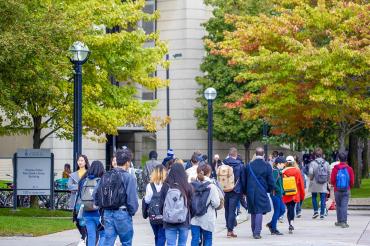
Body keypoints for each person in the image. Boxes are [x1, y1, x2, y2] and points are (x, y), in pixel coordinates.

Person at [96, 148, 139, 246]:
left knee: (108, 242)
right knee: (126, 242)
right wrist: (131, 211)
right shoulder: (129, 177)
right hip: (122, 213)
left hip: (107, 213)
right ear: (128, 162)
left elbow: (96, 194)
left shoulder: (106, 175)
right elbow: (132, 200)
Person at [244, 147, 275, 239]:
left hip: (250, 190)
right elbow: (271, 180)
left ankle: (254, 230)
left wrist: (244, 191)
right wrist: (271, 189)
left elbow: (245, 179)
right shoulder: (267, 165)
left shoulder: (249, 165)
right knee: (259, 211)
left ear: (255, 154)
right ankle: (257, 232)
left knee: (253, 210)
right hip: (261, 190)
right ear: (263, 155)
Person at [160, 163, 193, 246]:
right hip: (184, 220)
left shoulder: (165, 186)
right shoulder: (187, 186)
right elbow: (192, 205)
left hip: (169, 221)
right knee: (182, 244)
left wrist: (165, 214)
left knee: (170, 244)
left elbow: (161, 204)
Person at [190, 164, 221, 246]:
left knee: (195, 238)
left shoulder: (191, 185)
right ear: (209, 173)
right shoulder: (211, 186)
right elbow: (216, 203)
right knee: (207, 238)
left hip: (194, 217)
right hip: (207, 217)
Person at [80, 160, 105, 246]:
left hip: (86, 212)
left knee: (91, 236)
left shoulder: (84, 181)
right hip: (99, 213)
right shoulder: (101, 181)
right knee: (103, 234)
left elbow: (81, 195)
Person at [223, 147, 245, 238]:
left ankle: (228, 227)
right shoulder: (239, 165)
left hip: (225, 189)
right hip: (235, 190)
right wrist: (244, 191)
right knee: (232, 210)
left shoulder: (223, 163)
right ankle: (230, 230)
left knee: (227, 210)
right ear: (236, 154)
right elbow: (242, 179)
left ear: (229, 154)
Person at [68, 154, 90, 246]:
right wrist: (80, 186)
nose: (80, 162)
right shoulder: (73, 174)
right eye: (79, 161)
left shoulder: (89, 173)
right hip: (76, 200)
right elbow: (69, 186)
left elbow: (89, 186)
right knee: (76, 220)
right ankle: (84, 236)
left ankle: (83, 237)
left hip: (85, 200)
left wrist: (81, 187)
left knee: (83, 219)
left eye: (82, 160)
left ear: (85, 162)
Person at [144, 165, 168, 246]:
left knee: (157, 235)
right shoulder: (167, 185)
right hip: (164, 215)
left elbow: (147, 200)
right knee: (162, 236)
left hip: (153, 216)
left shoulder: (149, 186)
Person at [330, 152, 354, 228]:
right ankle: (344, 222)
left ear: (339, 159)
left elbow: (332, 180)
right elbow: (352, 181)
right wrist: (350, 187)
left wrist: (335, 185)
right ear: (346, 159)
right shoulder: (349, 169)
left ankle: (339, 221)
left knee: (339, 205)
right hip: (346, 189)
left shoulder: (335, 168)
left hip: (337, 189)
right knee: (344, 206)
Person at [282, 156, 305, 234]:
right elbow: (301, 184)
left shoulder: (283, 171)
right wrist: (302, 194)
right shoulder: (297, 171)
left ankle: (290, 223)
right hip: (294, 193)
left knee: (289, 208)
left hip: (286, 193)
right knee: (292, 207)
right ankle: (291, 222)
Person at [309, 147, 330, 219]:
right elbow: (328, 172)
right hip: (323, 182)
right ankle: (322, 214)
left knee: (314, 197)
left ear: (315, 155)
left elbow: (311, 172)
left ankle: (315, 211)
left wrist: (311, 178)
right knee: (323, 198)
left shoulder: (312, 163)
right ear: (322, 155)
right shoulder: (326, 163)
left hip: (314, 182)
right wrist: (327, 181)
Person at [266, 157, 286, 235]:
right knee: (277, 211)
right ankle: (273, 229)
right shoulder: (275, 171)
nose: (284, 165)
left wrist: (282, 191)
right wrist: (279, 190)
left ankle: (271, 224)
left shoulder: (278, 171)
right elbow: (273, 184)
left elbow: (279, 183)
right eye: (283, 164)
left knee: (283, 210)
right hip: (275, 194)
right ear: (279, 164)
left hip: (279, 194)